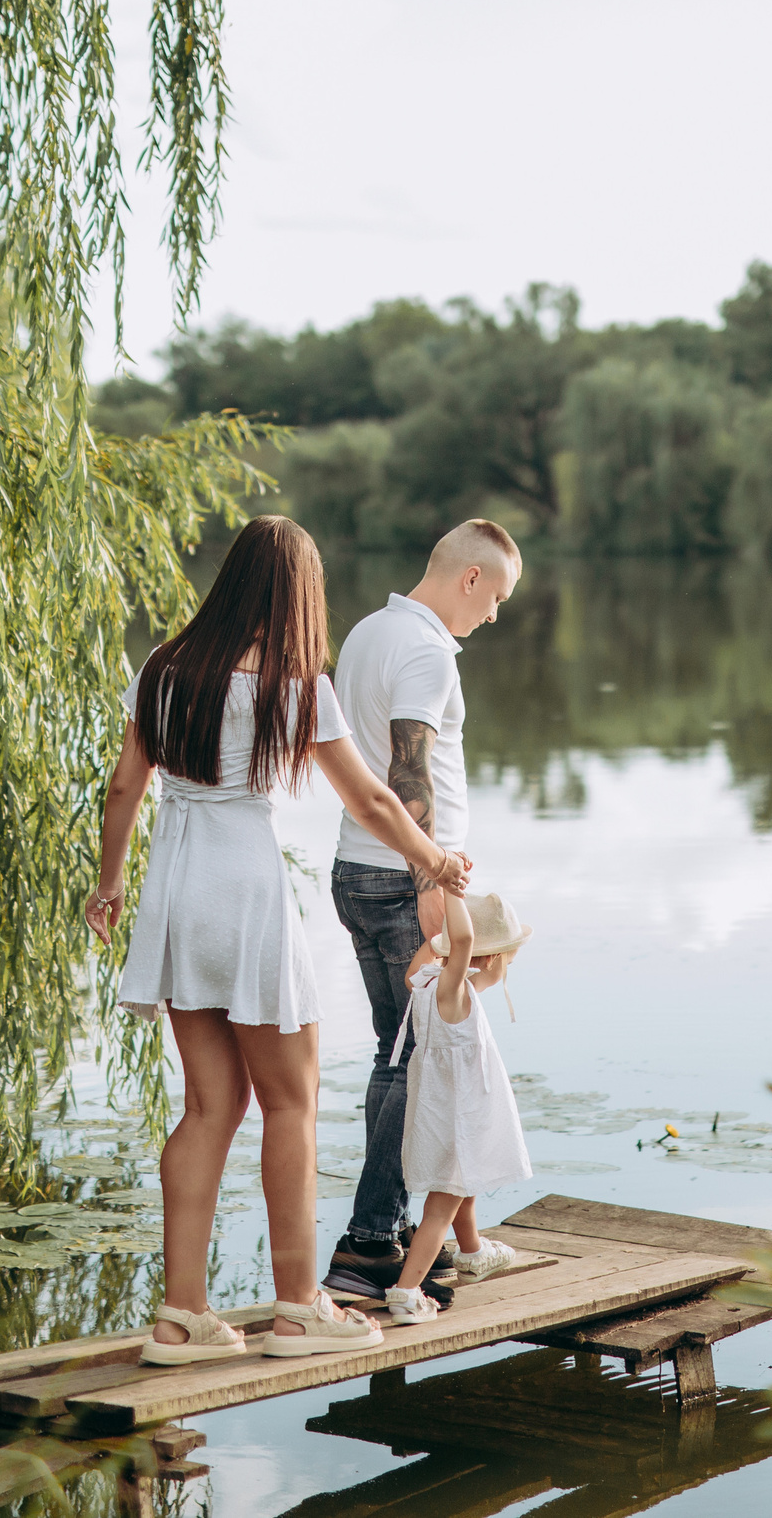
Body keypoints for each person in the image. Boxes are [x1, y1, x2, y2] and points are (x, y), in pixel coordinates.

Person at [83, 516, 469, 1363]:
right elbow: (371, 802)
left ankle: (181, 1317)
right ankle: (298, 1309)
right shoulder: (296, 686)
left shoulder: (161, 668)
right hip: (247, 892)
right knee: (292, 1100)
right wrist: (436, 859)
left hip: (176, 891)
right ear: (299, 594)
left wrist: (109, 883)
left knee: (208, 1107)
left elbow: (123, 788)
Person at [323, 520, 522, 1303]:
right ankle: (372, 1240)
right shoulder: (429, 650)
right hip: (406, 881)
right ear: (469, 578)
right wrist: (432, 877)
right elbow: (411, 769)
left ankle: (447, 1241)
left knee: (404, 1055)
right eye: (497, 596)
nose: (495, 615)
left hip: (355, 870)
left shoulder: (370, 631)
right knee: (414, 1063)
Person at [379, 891, 533, 1325]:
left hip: (442, 1112)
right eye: (508, 958)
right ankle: (406, 1293)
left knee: (462, 1184)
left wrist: (444, 937)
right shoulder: (453, 992)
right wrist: (450, 887)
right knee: (440, 1208)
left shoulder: (424, 981)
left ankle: (472, 1252)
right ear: (488, 959)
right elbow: (463, 942)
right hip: (458, 1119)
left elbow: (449, 947)